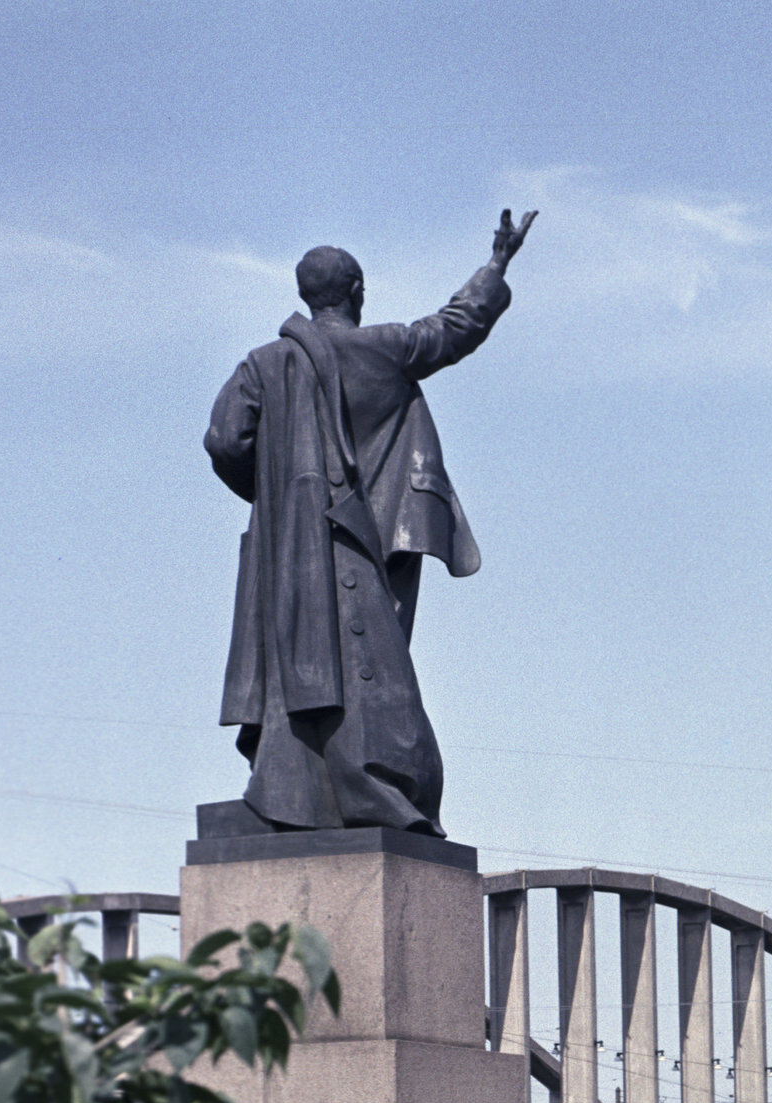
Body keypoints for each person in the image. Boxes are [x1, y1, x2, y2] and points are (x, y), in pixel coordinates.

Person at [204, 210, 535, 835]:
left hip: (290, 549)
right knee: (368, 671)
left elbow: (224, 439)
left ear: (306, 295)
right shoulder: (383, 348)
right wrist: (496, 266)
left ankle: (298, 794)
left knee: (299, 666)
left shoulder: (262, 365)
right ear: (357, 293)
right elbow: (454, 328)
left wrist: (277, 492)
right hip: (359, 539)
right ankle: (369, 795)